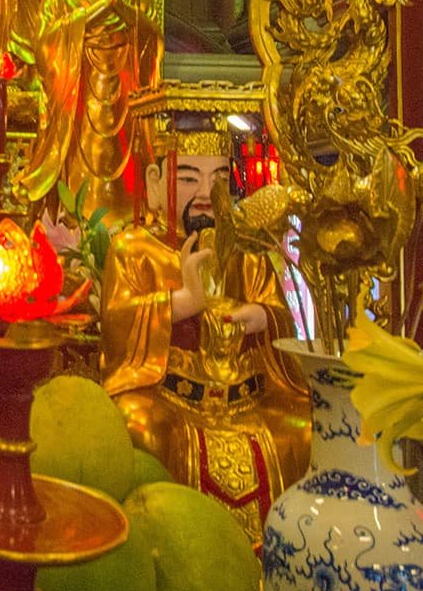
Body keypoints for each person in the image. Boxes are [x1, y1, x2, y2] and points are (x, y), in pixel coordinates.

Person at [100, 88, 309, 544]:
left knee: (302, 427)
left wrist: (262, 316)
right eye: (188, 177)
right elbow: (117, 323)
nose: (204, 194)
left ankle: (283, 550)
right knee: (138, 425)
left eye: (217, 179)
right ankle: (167, 545)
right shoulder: (134, 250)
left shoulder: (246, 253)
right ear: (156, 183)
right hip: (169, 396)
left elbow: (279, 316)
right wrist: (184, 302)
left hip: (243, 397)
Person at [18, 0, 162, 229]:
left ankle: (129, 218)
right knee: (75, 177)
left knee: (128, 175)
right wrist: (98, 11)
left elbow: (152, 43)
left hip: (123, 108)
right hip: (78, 106)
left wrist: (124, 12)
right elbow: (45, 49)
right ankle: (73, 219)